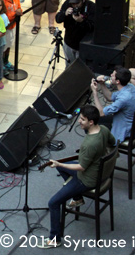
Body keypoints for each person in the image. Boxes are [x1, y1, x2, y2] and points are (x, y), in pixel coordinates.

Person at [38, 105, 116, 249]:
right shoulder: (104, 129)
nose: (79, 121)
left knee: (53, 203)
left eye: (82, 119)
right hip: (98, 171)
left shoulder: (90, 143)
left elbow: (81, 167)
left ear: (91, 122)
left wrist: (59, 164)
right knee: (64, 165)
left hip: (87, 179)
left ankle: (55, 238)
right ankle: (77, 198)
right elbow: (113, 144)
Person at [91, 67, 135, 144]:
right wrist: (102, 84)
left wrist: (95, 93)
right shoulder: (131, 87)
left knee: (90, 124)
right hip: (128, 122)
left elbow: (100, 113)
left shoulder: (123, 99)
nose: (110, 75)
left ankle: (100, 149)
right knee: (94, 119)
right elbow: (110, 97)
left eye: (113, 75)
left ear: (118, 81)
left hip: (124, 129)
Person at [55, 0, 96, 67]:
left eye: (77, 3)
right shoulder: (67, 4)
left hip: (83, 45)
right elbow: (58, 19)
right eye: (73, 4)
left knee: (82, 68)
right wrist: (65, 13)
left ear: (83, 0)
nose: (75, 6)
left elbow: (92, 27)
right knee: (69, 66)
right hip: (69, 42)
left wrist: (82, 21)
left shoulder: (91, 7)